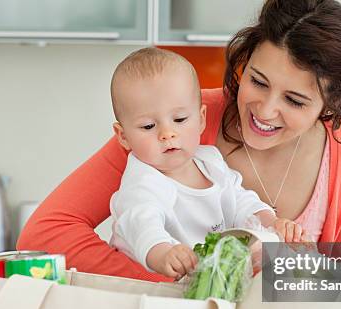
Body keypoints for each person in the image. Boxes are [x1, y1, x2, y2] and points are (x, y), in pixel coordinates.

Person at [17, 0, 341, 283]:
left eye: (295, 101)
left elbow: (333, 287)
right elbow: (47, 233)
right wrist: (173, 288)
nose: (265, 110)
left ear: (331, 105)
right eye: (257, 81)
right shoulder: (178, 121)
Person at [108, 47, 303, 280]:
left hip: (209, 282)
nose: (167, 133)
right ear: (123, 136)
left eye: (180, 120)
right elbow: (141, 225)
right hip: (153, 292)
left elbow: (241, 200)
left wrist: (271, 222)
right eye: (149, 126)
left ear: (201, 119)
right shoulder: (143, 183)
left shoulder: (210, 161)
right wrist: (163, 253)